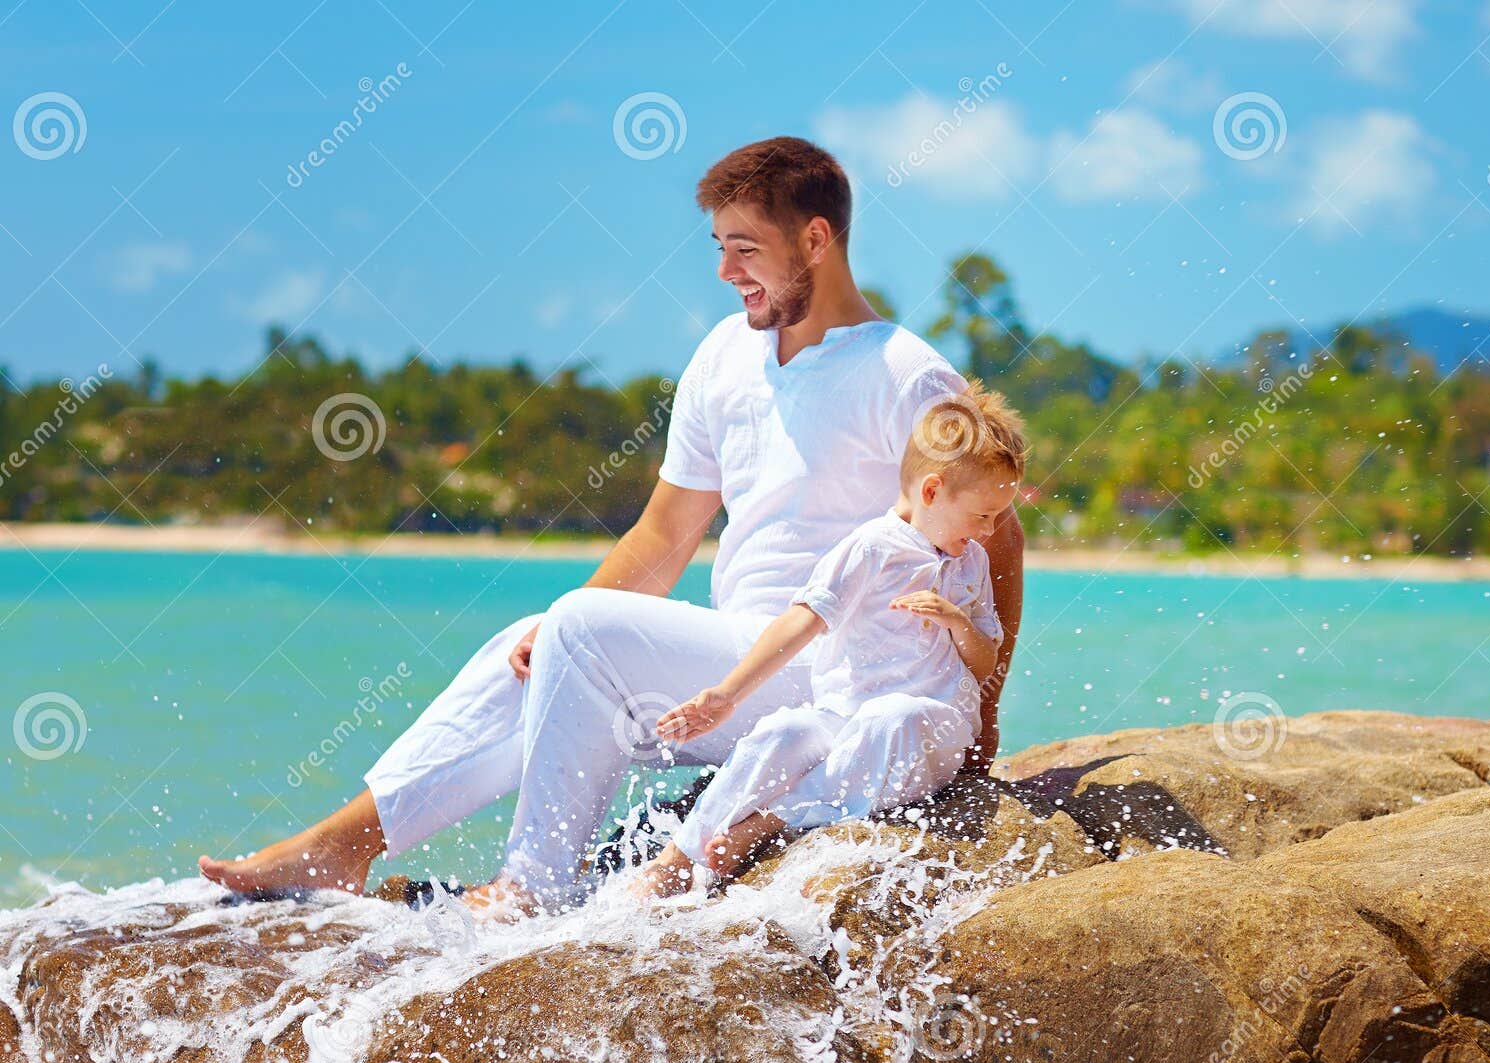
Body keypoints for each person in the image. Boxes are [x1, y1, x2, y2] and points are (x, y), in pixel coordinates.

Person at [197, 136, 1024, 914]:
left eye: (746, 247)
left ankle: (531, 887)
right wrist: (558, 632)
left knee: (580, 628)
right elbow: (663, 537)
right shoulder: (723, 356)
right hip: (733, 666)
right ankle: (343, 845)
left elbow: (997, 535)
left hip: (838, 679)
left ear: (815, 240)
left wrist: (980, 712)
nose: (727, 270)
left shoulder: (904, 373)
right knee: (541, 632)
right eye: (718, 246)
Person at [632, 384, 1024, 899]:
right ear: (931, 491)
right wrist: (725, 694)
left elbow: (984, 660)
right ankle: (678, 856)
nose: (991, 530)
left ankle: (774, 820)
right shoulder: (870, 548)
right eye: (982, 515)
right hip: (846, 716)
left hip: (932, 721)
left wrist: (957, 622)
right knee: (784, 731)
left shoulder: (970, 562)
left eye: (997, 516)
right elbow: (802, 621)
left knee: (894, 718)